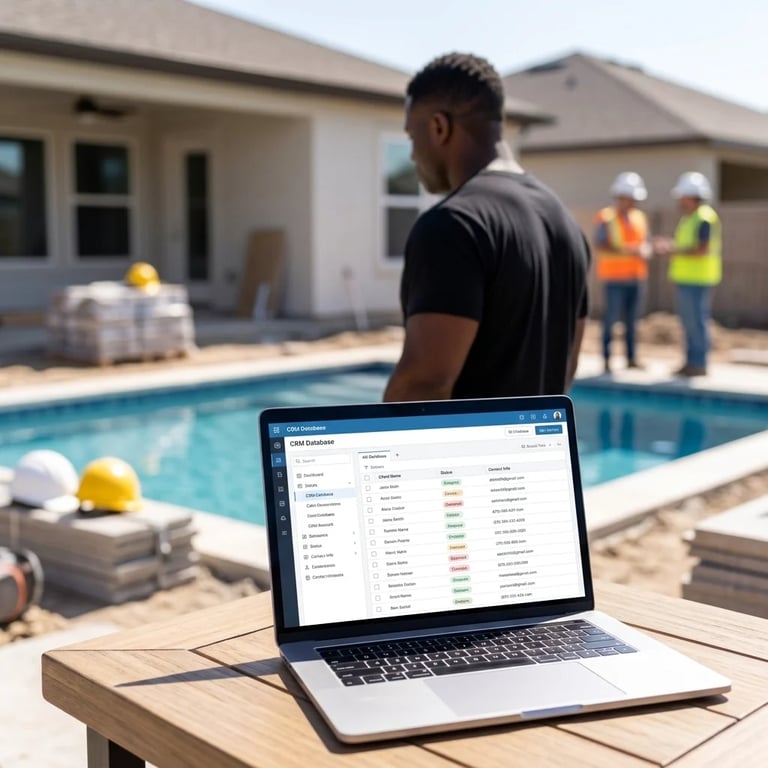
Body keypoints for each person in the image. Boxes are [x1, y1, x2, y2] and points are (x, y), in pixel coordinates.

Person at [383, 53, 591, 402]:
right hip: (542, 453)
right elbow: (566, 367)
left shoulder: (453, 225)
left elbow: (424, 385)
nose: (412, 155)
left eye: (411, 137)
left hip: (471, 457)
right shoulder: (565, 223)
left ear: (439, 127)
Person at [654, 172, 721, 377]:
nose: (680, 201)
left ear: (691, 196)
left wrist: (672, 250)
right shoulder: (690, 218)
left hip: (698, 278)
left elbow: (701, 249)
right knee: (689, 322)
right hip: (687, 278)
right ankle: (691, 361)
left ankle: (698, 363)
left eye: (682, 196)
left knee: (696, 322)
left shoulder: (704, 218)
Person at [593, 172, 652, 373]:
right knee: (610, 320)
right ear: (620, 197)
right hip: (614, 277)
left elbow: (644, 242)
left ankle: (631, 358)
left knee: (632, 321)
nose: (632, 203)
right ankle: (607, 360)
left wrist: (646, 249)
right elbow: (601, 245)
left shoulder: (639, 218)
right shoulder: (606, 217)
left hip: (636, 277)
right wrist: (632, 250)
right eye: (629, 198)